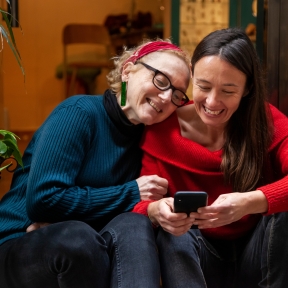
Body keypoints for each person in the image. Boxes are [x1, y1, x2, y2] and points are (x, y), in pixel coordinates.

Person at [0, 39, 191, 288]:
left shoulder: (147, 141)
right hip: (19, 241)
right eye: (161, 81)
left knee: (132, 225)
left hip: (85, 245)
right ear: (127, 70)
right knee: (78, 238)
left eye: (177, 94)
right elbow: (44, 199)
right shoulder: (78, 112)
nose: (166, 97)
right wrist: (132, 192)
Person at [133, 28, 288, 288]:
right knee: (173, 235)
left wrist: (250, 202)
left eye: (228, 91)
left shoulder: (266, 121)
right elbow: (140, 203)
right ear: (192, 75)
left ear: (248, 88)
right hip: (198, 255)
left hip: (259, 255)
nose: (213, 102)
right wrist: (155, 211)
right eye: (204, 87)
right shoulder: (163, 128)